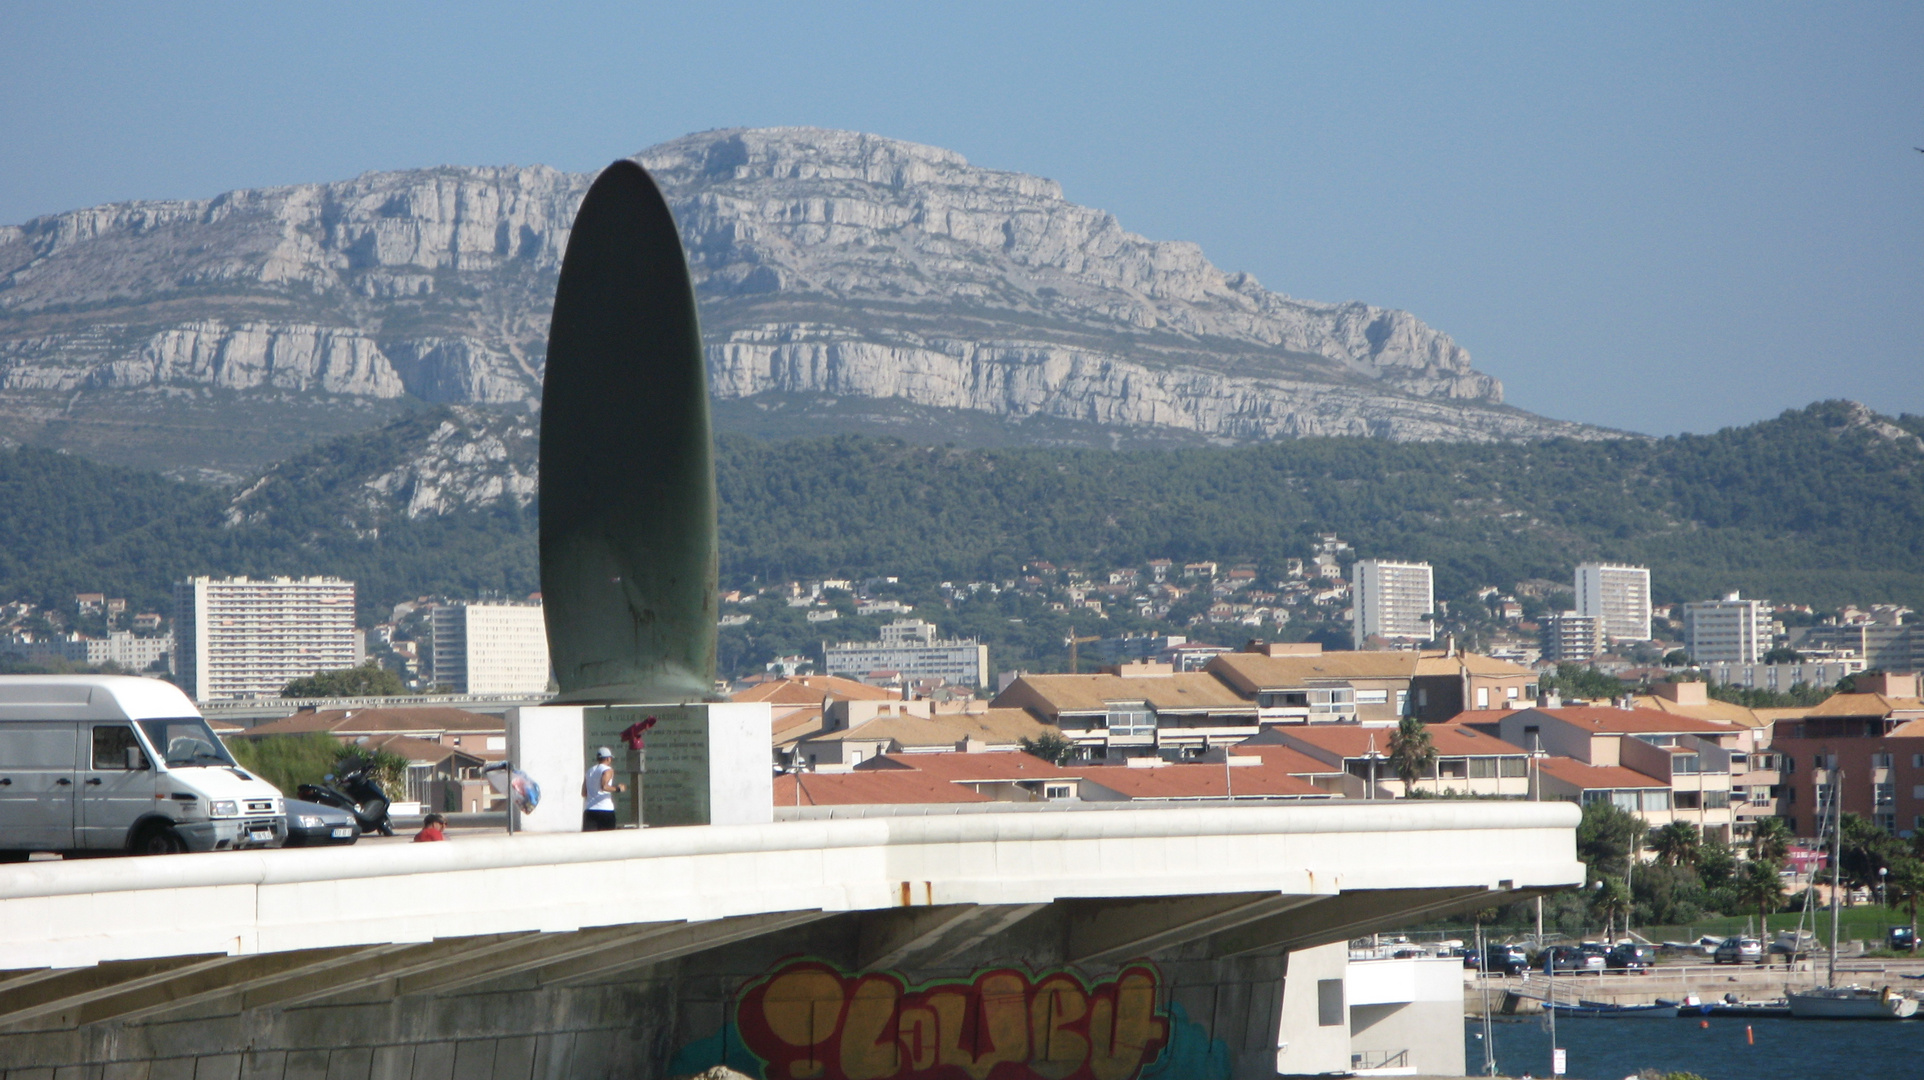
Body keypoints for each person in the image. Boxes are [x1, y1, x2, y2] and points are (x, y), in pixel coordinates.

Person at [583, 746, 625, 831]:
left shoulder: (589, 771)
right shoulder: (607, 770)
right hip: (605, 810)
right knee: (607, 839)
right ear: (608, 759)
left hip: (590, 811)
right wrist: (618, 789)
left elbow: (584, 793)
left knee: (590, 840)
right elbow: (604, 787)